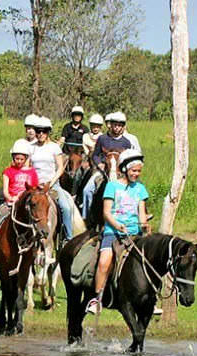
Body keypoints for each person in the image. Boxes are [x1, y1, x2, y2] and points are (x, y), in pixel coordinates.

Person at [86, 150, 149, 315]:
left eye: (139, 171)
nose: (136, 174)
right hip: (113, 232)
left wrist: (144, 225)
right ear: (125, 169)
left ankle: (150, 299)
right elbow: (106, 212)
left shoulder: (140, 188)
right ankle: (97, 298)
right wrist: (117, 225)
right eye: (134, 170)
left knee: (149, 261)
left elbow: (141, 212)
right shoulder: (112, 186)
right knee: (104, 262)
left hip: (134, 233)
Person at [0, 139, 39, 264]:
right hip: (11, 203)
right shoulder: (8, 172)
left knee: (38, 221)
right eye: (16, 158)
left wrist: (23, 198)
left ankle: (39, 250)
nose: (19, 161)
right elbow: (5, 190)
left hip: (26, 204)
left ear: (26, 158)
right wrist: (11, 198)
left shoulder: (32, 172)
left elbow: (34, 190)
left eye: (21, 159)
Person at [30, 117, 77, 241]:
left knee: (66, 207)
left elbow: (60, 168)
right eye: (38, 131)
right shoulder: (31, 147)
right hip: (35, 186)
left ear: (48, 132)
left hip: (52, 184)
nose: (40, 134)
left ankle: (68, 237)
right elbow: (28, 167)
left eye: (44, 131)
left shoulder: (54, 148)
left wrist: (51, 183)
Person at [86, 112, 141, 218]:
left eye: (119, 125)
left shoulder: (126, 142)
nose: (117, 128)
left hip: (120, 171)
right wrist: (99, 164)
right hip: (104, 170)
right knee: (87, 190)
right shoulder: (102, 138)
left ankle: (140, 213)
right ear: (110, 125)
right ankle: (87, 216)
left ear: (123, 127)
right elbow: (95, 155)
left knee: (137, 186)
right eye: (115, 125)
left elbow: (127, 159)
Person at [60, 106, 89, 178]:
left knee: (86, 167)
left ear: (81, 117)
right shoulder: (67, 127)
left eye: (79, 115)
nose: (77, 117)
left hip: (80, 153)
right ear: (72, 116)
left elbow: (87, 141)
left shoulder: (85, 128)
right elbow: (63, 138)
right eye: (75, 115)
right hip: (67, 153)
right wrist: (58, 143)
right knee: (59, 164)